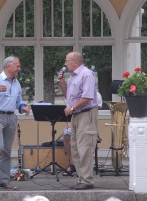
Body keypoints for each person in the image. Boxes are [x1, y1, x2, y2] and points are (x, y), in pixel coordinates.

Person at [0, 55, 30, 191]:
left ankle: (4, 181)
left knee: (6, 151)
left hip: (11, 117)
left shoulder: (16, 83)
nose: (19, 68)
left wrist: (23, 107)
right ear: (9, 66)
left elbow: (18, 101)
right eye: (17, 66)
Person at [58, 51, 98, 190]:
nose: (65, 64)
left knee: (85, 148)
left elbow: (87, 97)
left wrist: (72, 107)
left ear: (76, 62)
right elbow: (68, 95)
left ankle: (87, 181)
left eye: (67, 61)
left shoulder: (87, 74)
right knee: (75, 148)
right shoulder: (73, 77)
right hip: (76, 115)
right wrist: (62, 83)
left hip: (86, 115)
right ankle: (81, 179)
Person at [62, 91, 102, 176]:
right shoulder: (75, 95)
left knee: (83, 144)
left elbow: (93, 111)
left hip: (88, 123)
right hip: (74, 121)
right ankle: (73, 163)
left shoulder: (96, 95)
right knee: (66, 135)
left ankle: (83, 169)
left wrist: (75, 107)